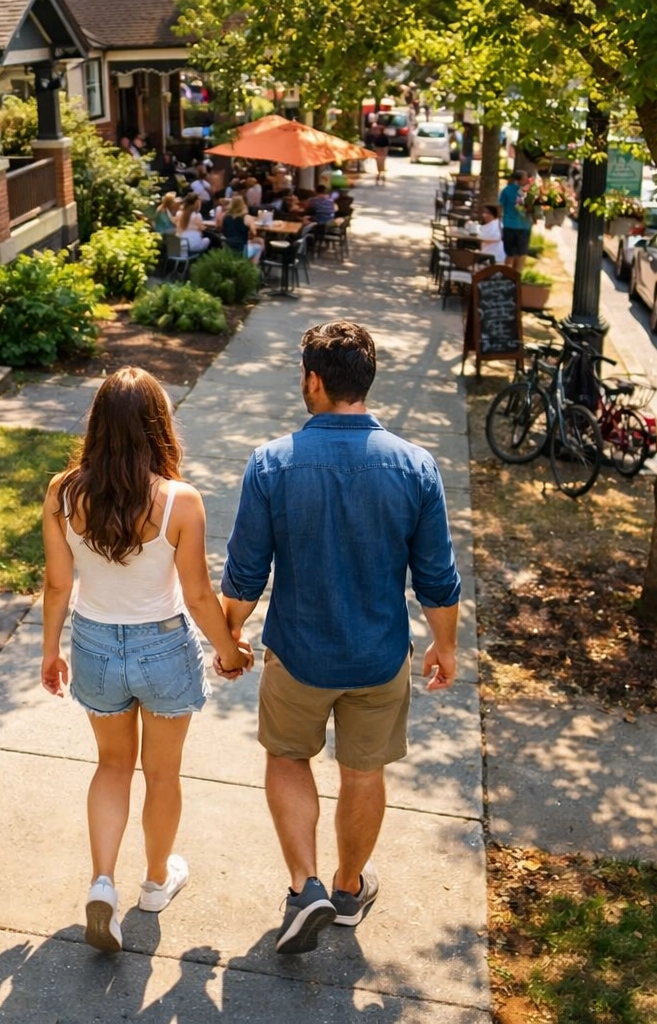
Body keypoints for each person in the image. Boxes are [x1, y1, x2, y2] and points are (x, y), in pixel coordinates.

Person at [218, 320, 460, 955]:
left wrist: (231, 636)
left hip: (297, 654)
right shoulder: (416, 466)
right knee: (363, 770)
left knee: (288, 758)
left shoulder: (272, 463)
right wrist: (446, 646)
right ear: (367, 384)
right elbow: (437, 578)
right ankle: (349, 890)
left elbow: (246, 572)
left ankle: (306, 888)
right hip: (380, 657)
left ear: (314, 382)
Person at [42, 369, 254, 953]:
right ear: (159, 425)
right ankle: (156, 882)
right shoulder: (179, 501)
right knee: (162, 774)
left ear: (98, 424)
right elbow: (197, 597)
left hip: (93, 645)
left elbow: (58, 586)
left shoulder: (63, 493)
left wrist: (50, 652)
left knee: (112, 767)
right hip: (163, 649)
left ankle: (102, 883)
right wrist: (229, 651)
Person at [499, 170, 533, 272]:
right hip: (522, 226)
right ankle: (515, 277)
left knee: (510, 254)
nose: (527, 179)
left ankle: (508, 277)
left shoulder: (506, 190)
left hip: (510, 225)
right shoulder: (529, 191)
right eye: (525, 177)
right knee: (520, 255)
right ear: (518, 180)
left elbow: (500, 206)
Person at [221, 195, 264, 263]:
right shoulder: (247, 217)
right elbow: (254, 233)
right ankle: (251, 269)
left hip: (228, 247)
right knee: (259, 246)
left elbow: (223, 230)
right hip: (241, 248)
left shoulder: (225, 216)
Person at [366, 120, 389, 185]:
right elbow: (386, 147)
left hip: (379, 154)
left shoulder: (378, 138)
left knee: (379, 167)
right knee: (382, 167)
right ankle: (382, 178)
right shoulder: (384, 138)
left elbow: (376, 147)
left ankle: (379, 178)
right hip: (382, 154)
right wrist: (385, 155)